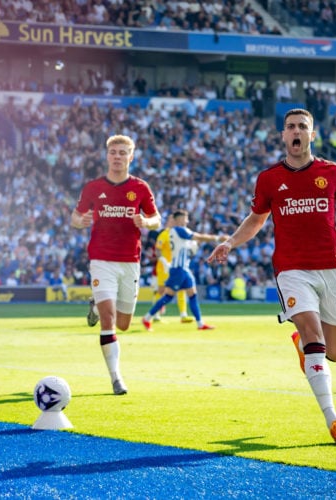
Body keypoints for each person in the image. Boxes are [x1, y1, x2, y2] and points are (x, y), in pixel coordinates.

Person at [207, 108, 336, 446]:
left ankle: (302, 346)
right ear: (283, 135)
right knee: (312, 331)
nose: (296, 131)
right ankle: (333, 419)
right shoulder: (269, 179)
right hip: (291, 269)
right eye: (290, 127)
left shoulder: (333, 172)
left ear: (312, 134)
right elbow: (256, 219)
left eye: (302, 127)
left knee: (335, 353)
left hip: (331, 270)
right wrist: (230, 242)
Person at [71, 134, 161, 395]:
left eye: (123, 152)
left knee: (123, 323)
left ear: (130, 157)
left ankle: (96, 308)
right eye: (113, 152)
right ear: (107, 155)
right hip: (101, 259)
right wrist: (81, 220)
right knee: (110, 322)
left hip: (129, 262)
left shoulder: (141, 188)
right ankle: (116, 378)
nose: (118, 156)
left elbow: (157, 218)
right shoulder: (93, 187)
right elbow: (74, 217)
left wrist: (146, 223)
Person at [142, 209, 227, 332]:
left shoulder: (174, 232)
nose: (187, 220)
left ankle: (200, 323)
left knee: (192, 294)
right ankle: (147, 317)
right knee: (168, 296)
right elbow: (199, 236)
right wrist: (218, 238)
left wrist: (194, 246)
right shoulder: (180, 230)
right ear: (179, 219)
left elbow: (190, 248)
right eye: (185, 218)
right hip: (178, 269)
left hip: (183, 268)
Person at [153, 213, 193, 323]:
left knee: (181, 290)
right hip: (164, 267)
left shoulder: (181, 232)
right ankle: (156, 314)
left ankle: (183, 315)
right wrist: (163, 261)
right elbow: (157, 249)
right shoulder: (164, 234)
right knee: (161, 290)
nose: (172, 222)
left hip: (177, 266)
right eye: (171, 220)